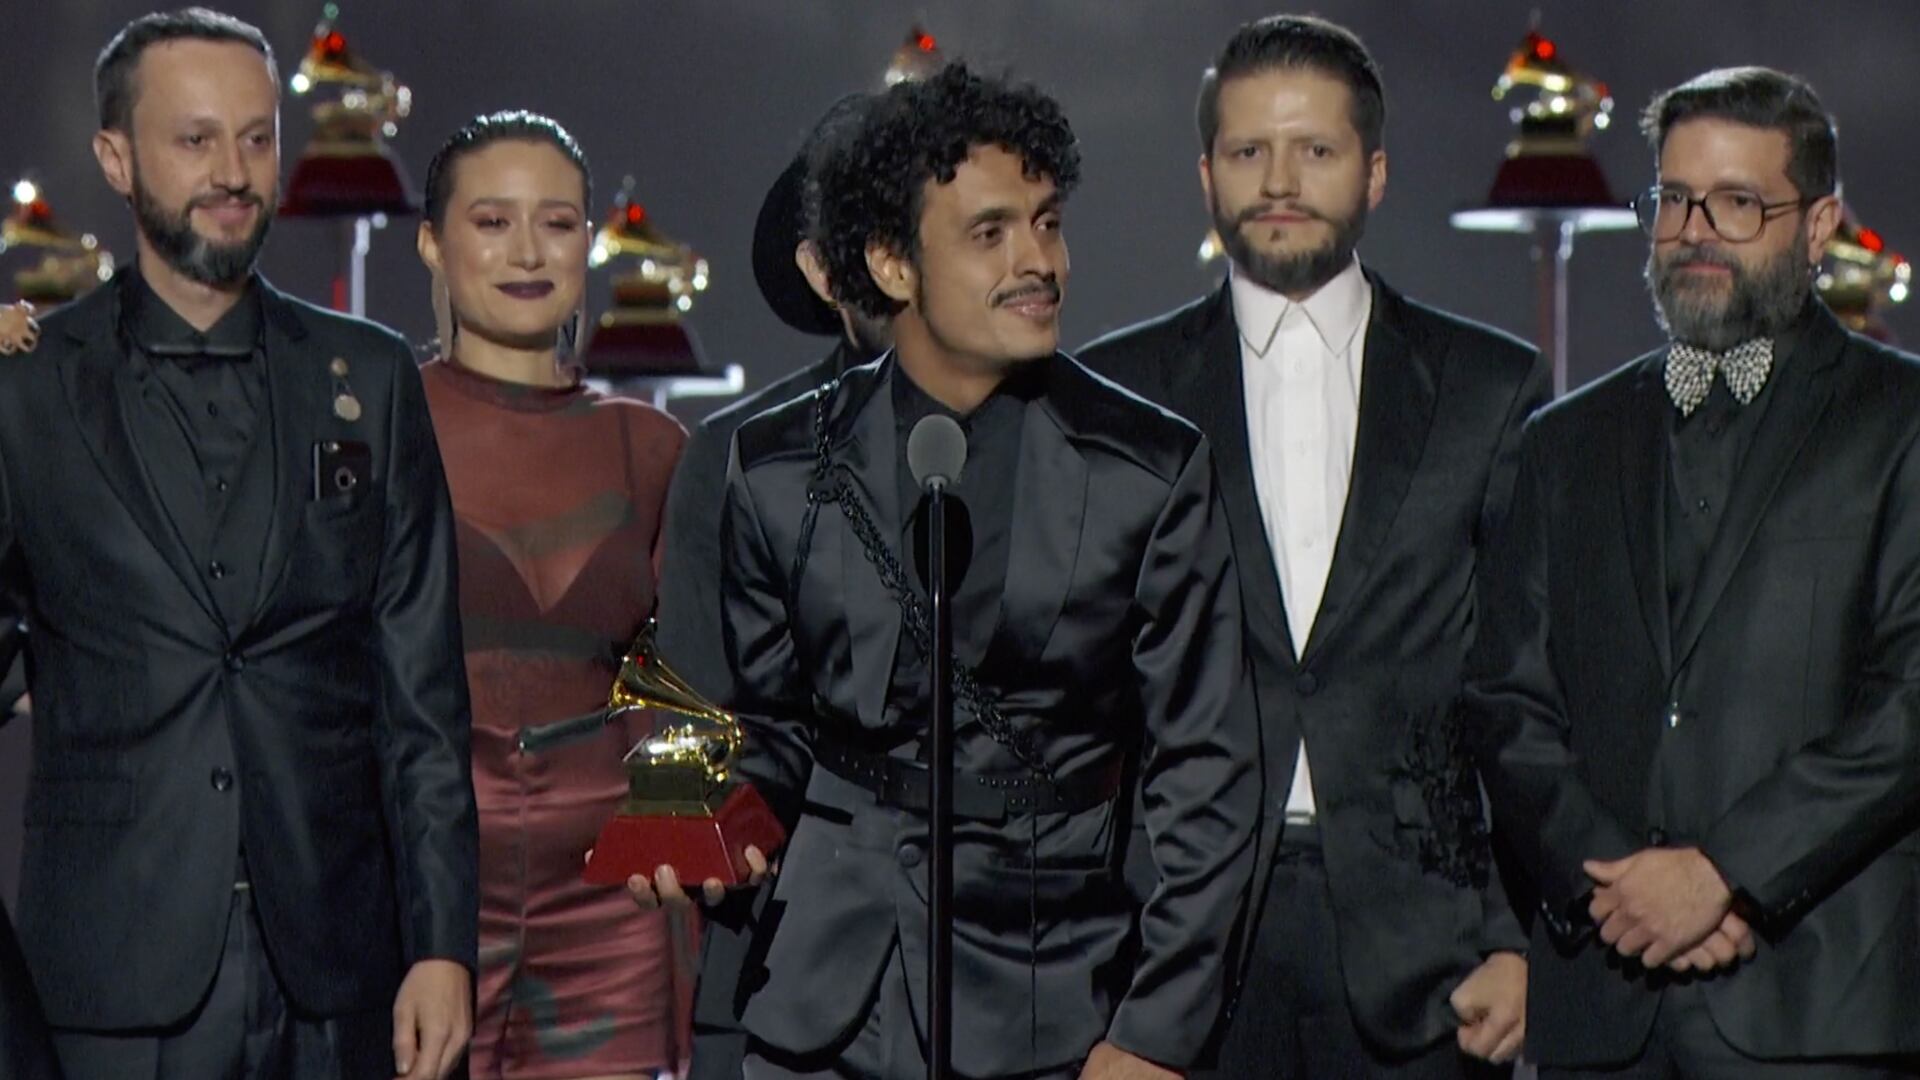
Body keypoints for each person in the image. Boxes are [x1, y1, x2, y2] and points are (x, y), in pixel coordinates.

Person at [635, 62, 1259, 1080]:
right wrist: (687, 807)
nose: (1038, 262)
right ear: (888, 262)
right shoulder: (779, 464)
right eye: (990, 233)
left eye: (1047, 222)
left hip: (1054, 1001)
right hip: (822, 1010)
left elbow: (1211, 776)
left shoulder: (1148, 468)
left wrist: (1155, 1033)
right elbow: (763, 729)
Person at [0, 9, 475, 1078]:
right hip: (108, 972)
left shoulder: (373, 377)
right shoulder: (24, 389)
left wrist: (442, 944)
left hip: (338, 968)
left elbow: (423, 704)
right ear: (115, 159)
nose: (233, 172)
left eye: (257, 138)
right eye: (195, 139)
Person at [1080, 16, 1543, 1077]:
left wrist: (1521, 938)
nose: (1279, 180)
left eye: (1316, 151)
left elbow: (1524, 683)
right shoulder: (1114, 394)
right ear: (1206, 175)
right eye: (1249, 152)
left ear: (1374, 174)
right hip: (1175, 944)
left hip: (1427, 955)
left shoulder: (1487, 388)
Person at [1464, 66, 1920, 1078]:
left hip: (1819, 1008)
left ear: (1820, 224)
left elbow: (1910, 701)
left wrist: (1727, 875)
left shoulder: (1901, 424)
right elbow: (1506, 702)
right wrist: (1619, 893)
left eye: (1739, 203)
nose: (1696, 230)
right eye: (1673, 199)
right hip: (1605, 1009)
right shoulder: (1561, 443)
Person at [413, 110, 692, 1080]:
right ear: (432, 244)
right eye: (492, 222)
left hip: (611, 900)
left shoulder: (651, 448)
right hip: (424, 897)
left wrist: (682, 824)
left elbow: (687, 680)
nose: (528, 251)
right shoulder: (382, 428)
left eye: (560, 223)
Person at [652, 91, 891, 1080]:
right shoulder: (739, 458)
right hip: (787, 980)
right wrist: (701, 830)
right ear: (822, 267)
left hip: (1034, 989)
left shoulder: (1091, 450)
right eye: (881, 226)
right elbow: (693, 731)